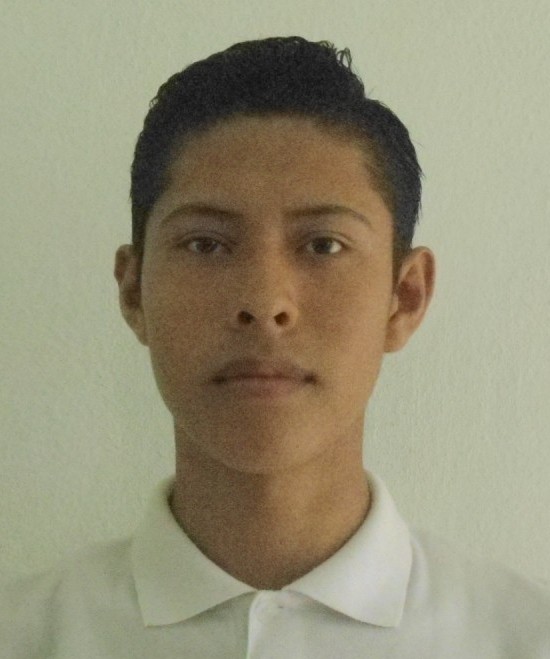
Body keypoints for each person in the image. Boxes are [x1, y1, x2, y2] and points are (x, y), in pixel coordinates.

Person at [1, 36, 549, 658]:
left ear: (405, 297)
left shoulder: (525, 637)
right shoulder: (24, 635)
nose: (264, 303)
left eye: (323, 245)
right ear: (134, 292)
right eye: (206, 244)